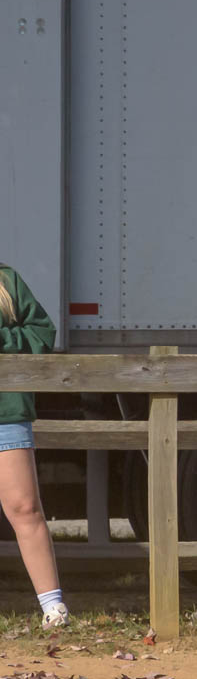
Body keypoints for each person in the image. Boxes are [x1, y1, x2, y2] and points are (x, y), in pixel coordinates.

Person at [0, 263, 64, 628]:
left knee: (24, 507)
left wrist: (2, 339)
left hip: (5, 412)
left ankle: (53, 608)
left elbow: (42, 334)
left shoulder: (5, 280)